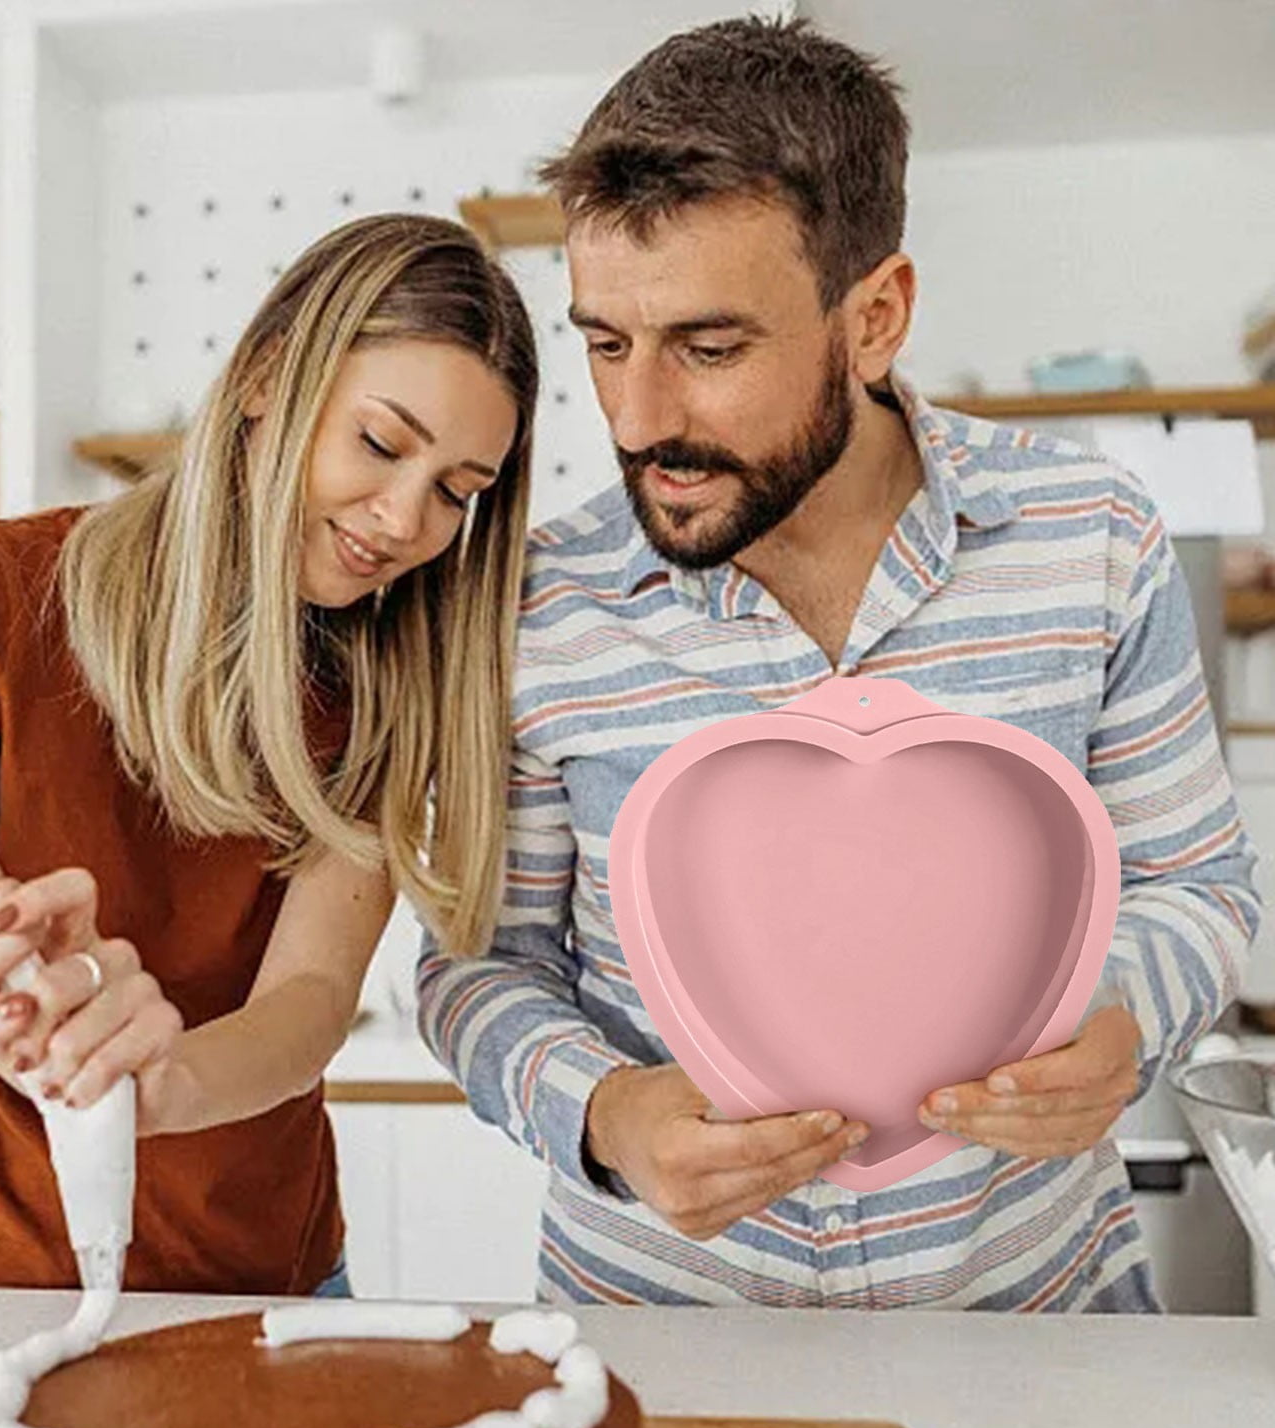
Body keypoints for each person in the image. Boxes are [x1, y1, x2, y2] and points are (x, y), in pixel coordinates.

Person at [417, 18, 1259, 1311]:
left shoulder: (1089, 538)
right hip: (665, 1336)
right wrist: (607, 1111)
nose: (637, 420)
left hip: (1031, 1321)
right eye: (605, 343)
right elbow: (478, 963)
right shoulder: (537, 602)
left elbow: (1194, 885)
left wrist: (1123, 1025)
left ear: (875, 318)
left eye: (709, 350)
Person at [0, 213, 536, 1293]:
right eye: (382, 445)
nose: (403, 520)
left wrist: (158, 1082)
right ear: (266, 378)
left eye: (455, 492)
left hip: (264, 1284)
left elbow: (309, 998)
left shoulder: (385, 683)